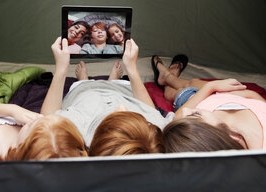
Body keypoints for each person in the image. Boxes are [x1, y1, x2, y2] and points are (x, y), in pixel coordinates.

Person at [40, 37, 174, 155]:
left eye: (117, 118)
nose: (121, 107)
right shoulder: (153, 135)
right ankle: (114, 80)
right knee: (122, 85)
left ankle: (82, 79)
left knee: (81, 85)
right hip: (121, 91)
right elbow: (148, 110)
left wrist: (61, 68)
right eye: (127, 115)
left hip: (84, 92)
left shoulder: (79, 128)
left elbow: (45, 120)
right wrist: (131, 68)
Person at [151, 55, 266, 151]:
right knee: (190, 83)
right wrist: (247, 95)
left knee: (175, 94)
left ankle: (166, 78)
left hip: (199, 97)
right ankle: (169, 77)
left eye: (195, 116)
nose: (187, 112)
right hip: (221, 93)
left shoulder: (196, 133)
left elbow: (179, 116)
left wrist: (210, 87)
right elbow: (254, 97)